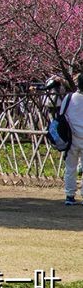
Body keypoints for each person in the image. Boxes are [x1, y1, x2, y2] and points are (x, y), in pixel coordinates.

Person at [62, 72, 83, 205]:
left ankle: (70, 196)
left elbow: (61, 114)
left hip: (72, 138)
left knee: (70, 167)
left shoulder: (69, 98)